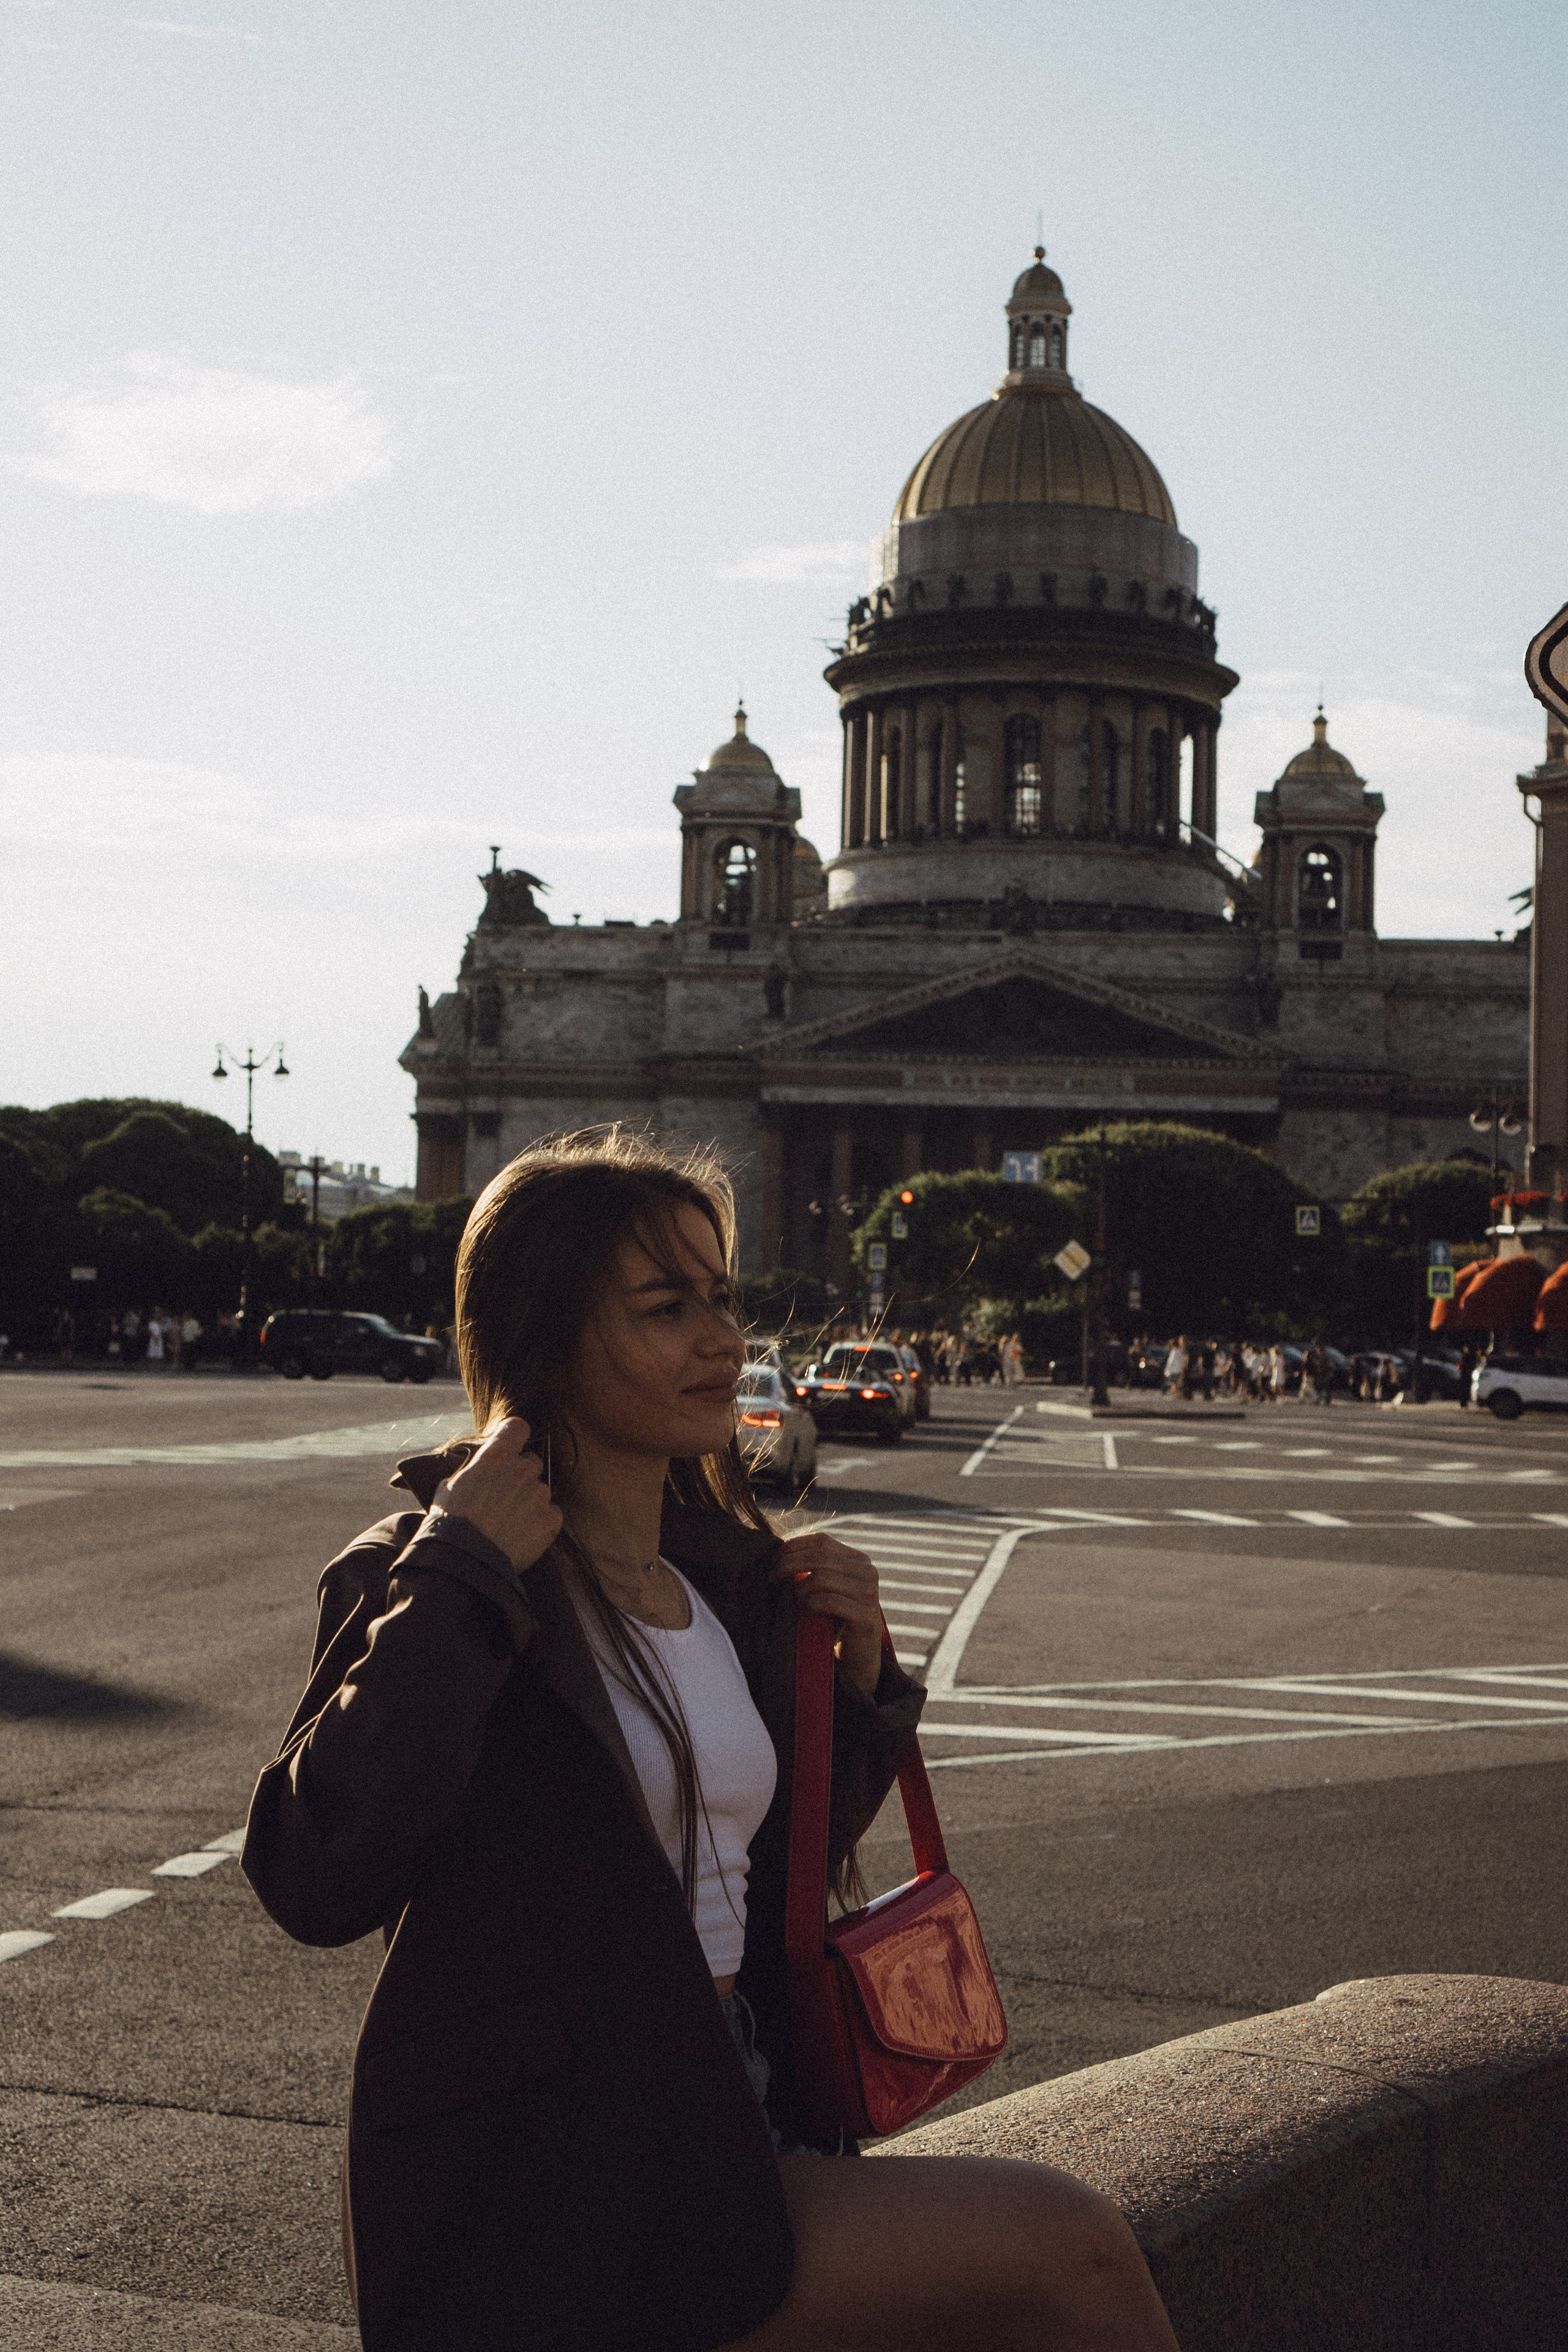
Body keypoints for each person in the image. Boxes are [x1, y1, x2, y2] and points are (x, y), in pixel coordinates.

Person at [243, 1129, 1178, 2352]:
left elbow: (763, 1866)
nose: (723, 1342)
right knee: (1070, 2246)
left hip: (737, 2093)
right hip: (570, 2154)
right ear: (543, 1339)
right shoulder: (427, 1573)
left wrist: (854, 1686)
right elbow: (318, 1873)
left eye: (722, 1299)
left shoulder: (723, 1585)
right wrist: (462, 1571)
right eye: (664, 1307)